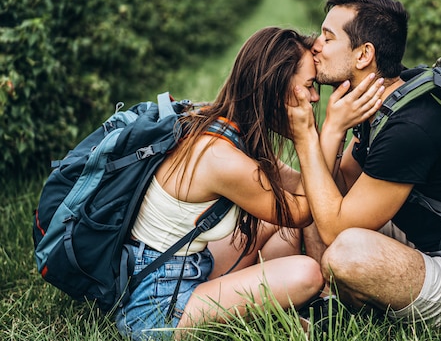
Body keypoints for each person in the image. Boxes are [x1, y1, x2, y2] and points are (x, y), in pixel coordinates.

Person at [115, 26, 382, 340]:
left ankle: (294, 303)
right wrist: (327, 133)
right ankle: (293, 307)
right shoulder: (220, 157)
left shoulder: (223, 126)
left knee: (283, 227)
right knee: (306, 272)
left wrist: (328, 142)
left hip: (183, 270)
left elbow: (306, 187)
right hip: (157, 310)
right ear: (275, 87)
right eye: (309, 86)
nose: (313, 98)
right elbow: (303, 210)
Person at [289, 0, 441, 331]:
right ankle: (324, 301)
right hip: (438, 248)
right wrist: (336, 131)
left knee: (346, 253)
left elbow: (334, 229)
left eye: (328, 37)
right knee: (316, 195)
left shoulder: (408, 128)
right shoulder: (393, 99)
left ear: (364, 54)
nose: (316, 46)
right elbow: (338, 190)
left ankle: (332, 310)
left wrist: (312, 136)